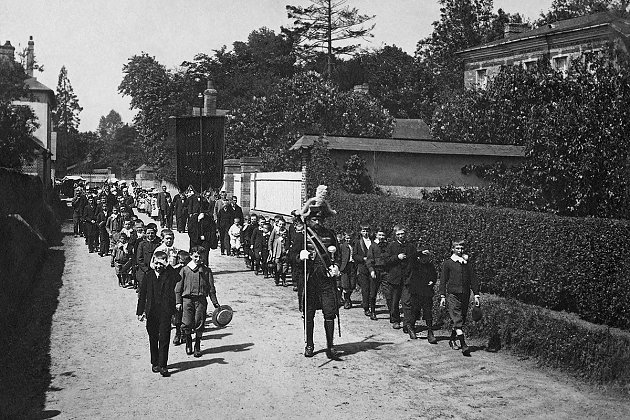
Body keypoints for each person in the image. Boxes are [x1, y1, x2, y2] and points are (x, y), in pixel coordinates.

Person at [292, 185, 341, 359]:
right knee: (309, 314)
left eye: (320, 219)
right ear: (308, 219)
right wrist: (300, 257)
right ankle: (310, 344)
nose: (318, 222)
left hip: (327, 280)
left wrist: (336, 268)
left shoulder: (330, 234)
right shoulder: (302, 235)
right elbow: (291, 258)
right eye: (314, 219)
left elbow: (339, 256)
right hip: (309, 280)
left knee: (330, 313)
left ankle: (330, 346)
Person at [136, 251, 181, 377]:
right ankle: (155, 362)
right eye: (156, 263)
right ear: (152, 263)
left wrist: (169, 266)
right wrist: (140, 312)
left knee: (164, 337)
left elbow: (178, 278)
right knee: (153, 337)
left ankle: (163, 365)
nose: (158, 266)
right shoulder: (148, 276)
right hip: (152, 312)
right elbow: (142, 295)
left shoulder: (169, 275)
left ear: (165, 264)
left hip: (165, 312)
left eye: (161, 264)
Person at [175, 246, 220, 357]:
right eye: (195, 256)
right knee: (187, 322)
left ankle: (197, 345)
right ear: (191, 256)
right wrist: (178, 302)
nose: (198, 259)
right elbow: (178, 287)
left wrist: (215, 302)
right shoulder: (185, 270)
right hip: (187, 300)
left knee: (199, 322)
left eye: (200, 257)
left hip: (201, 300)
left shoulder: (206, 271)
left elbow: (211, 288)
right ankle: (189, 341)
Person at [439, 238, 480, 356]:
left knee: (462, 317)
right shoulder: (448, 263)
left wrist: (476, 294)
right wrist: (442, 296)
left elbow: (473, 279)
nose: (460, 250)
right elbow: (443, 280)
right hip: (453, 295)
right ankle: (463, 345)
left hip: (465, 294)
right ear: (453, 249)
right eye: (457, 248)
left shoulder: (467, 263)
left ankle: (452, 339)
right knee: (457, 319)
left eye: (461, 248)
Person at [403, 241, 438, 343]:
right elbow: (412, 257)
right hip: (416, 292)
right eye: (423, 257)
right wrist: (420, 253)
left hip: (427, 292)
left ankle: (430, 332)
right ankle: (410, 326)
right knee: (415, 311)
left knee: (428, 312)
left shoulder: (430, 266)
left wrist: (432, 281)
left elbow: (434, 276)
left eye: (427, 257)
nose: (425, 259)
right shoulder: (414, 264)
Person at [383, 225, 414, 330]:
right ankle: (396, 320)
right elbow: (386, 260)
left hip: (407, 279)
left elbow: (414, 259)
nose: (401, 236)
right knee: (394, 301)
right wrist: (397, 257)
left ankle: (407, 324)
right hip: (395, 278)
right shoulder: (391, 246)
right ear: (395, 235)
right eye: (398, 234)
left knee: (407, 302)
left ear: (406, 234)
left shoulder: (410, 246)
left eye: (402, 234)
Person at [365, 227, 387, 321]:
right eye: (380, 235)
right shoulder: (373, 246)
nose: (381, 237)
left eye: (383, 235)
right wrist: (372, 270)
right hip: (376, 270)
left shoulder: (387, 245)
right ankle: (373, 312)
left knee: (389, 293)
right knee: (373, 292)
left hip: (385, 271)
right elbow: (369, 259)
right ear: (376, 235)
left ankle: (393, 315)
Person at [135, 223, 162, 294]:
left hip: (155, 270)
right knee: (142, 290)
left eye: (152, 233)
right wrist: (146, 270)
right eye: (148, 233)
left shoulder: (158, 244)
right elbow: (139, 259)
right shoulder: (142, 244)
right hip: (143, 271)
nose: (150, 235)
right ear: (145, 234)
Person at [353, 222, 372, 316]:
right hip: (363, 267)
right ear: (360, 232)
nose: (366, 233)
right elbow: (354, 255)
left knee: (372, 288)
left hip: (372, 267)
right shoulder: (358, 242)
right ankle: (366, 307)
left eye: (367, 231)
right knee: (365, 288)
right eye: (364, 231)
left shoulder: (373, 241)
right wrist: (362, 258)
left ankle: (372, 307)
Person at [338, 231, 356, 309]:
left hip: (353, 266)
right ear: (344, 238)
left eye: (350, 238)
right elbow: (339, 257)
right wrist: (339, 267)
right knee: (345, 285)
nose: (348, 240)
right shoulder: (342, 246)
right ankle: (346, 300)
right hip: (345, 267)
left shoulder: (355, 246)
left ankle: (348, 297)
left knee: (352, 285)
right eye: (347, 238)